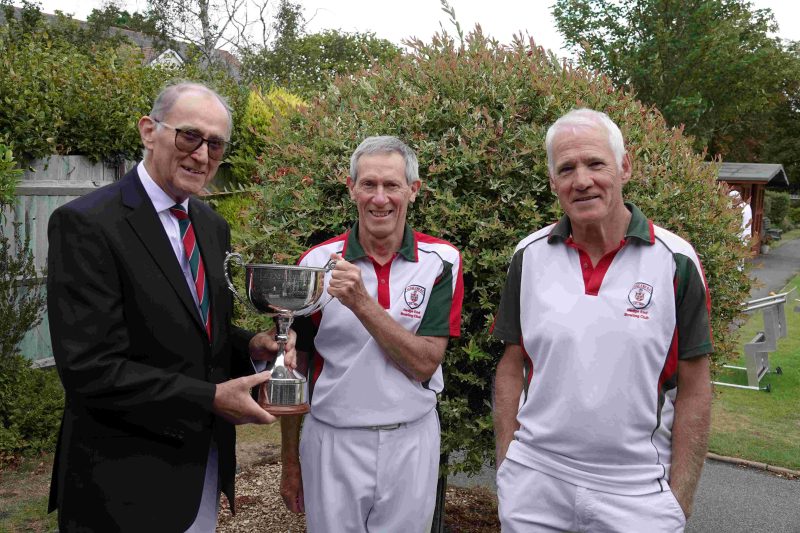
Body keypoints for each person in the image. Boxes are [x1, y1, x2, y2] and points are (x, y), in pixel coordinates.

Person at [46, 81, 291, 532]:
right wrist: (211, 398)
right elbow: (90, 368)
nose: (202, 154)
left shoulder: (211, 226)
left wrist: (254, 347)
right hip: (121, 487)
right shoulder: (87, 224)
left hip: (201, 473)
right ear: (148, 131)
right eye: (189, 136)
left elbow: (201, 335)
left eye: (215, 144)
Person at [492, 108, 713, 532]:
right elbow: (511, 364)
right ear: (553, 182)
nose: (582, 180)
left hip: (636, 491)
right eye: (566, 169)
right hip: (534, 484)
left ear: (624, 167)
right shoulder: (529, 255)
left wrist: (680, 499)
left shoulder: (676, 261)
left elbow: (696, 386)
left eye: (596, 163)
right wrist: (508, 465)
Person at [278, 136, 464, 532]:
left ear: (413, 190)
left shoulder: (441, 261)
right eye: (368, 184)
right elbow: (295, 366)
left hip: (410, 438)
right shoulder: (315, 263)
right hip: (333, 440)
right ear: (352, 189)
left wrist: (361, 302)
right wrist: (290, 462)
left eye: (392, 185)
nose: (380, 198)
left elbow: (424, 363)